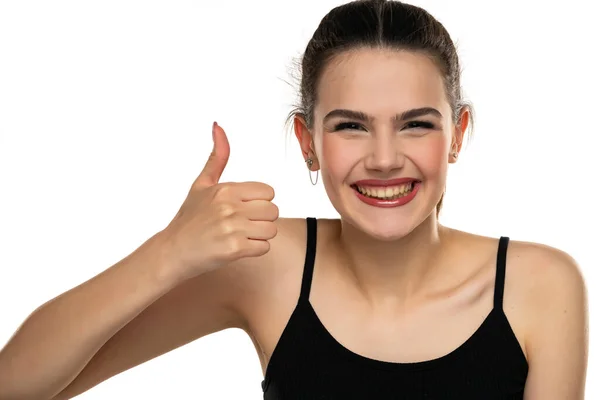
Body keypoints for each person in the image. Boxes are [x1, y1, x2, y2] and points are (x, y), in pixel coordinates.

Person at [0, 0, 589, 399]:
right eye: (350, 126)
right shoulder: (266, 262)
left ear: (457, 134)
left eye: (415, 124)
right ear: (308, 142)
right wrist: (167, 253)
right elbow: (19, 385)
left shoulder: (540, 285)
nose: (384, 158)